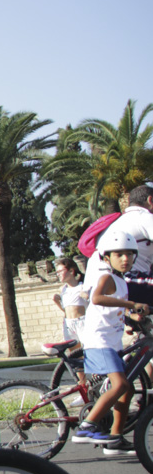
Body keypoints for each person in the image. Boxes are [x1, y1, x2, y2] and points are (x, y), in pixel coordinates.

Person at [71, 231, 149, 456]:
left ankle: (115, 438)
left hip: (111, 343)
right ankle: (87, 426)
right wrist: (132, 304)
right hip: (98, 341)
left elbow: (113, 312)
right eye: (119, 254)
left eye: (129, 254)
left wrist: (132, 317)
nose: (125, 259)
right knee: (121, 385)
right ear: (107, 258)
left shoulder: (122, 282)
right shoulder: (106, 278)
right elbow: (96, 299)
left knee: (128, 389)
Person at [83, 183, 153, 305]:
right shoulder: (144, 217)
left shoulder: (116, 223)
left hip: (95, 285)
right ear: (150, 200)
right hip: (123, 281)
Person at [52, 257, 89, 402]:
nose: (58, 274)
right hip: (69, 324)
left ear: (71, 271)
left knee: (90, 354)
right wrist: (57, 302)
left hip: (83, 323)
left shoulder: (82, 287)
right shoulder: (64, 290)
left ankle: (97, 384)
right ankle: (84, 390)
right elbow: (66, 310)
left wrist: (88, 296)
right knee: (75, 358)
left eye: (61, 271)